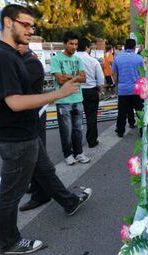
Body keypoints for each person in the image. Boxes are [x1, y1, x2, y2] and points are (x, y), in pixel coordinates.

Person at [0, 4, 92, 254]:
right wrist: (58, 93)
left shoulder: (11, 55)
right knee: (12, 193)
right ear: (8, 22)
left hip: (26, 135)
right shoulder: (1, 57)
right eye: (26, 24)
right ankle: (9, 242)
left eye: (33, 25)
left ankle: (70, 201)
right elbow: (15, 101)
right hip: (15, 138)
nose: (31, 30)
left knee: (46, 172)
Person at [17, 44, 51, 212]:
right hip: (28, 115)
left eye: (19, 44)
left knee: (36, 154)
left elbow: (18, 87)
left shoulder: (31, 63)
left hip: (35, 114)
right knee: (32, 154)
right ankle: (36, 185)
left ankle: (41, 193)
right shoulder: (21, 60)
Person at [51, 31, 90, 165]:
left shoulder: (78, 59)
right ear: (64, 44)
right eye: (71, 44)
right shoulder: (56, 59)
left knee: (78, 129)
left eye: (76, 44)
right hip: (63, 100)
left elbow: (84, 78)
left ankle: (78, 153)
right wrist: (75, 77)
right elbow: (60, 80)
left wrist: (68, 76)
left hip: (78, 99)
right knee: (66, 131)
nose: (74, 47)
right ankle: (68, 154)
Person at [76, 38, 105, 148]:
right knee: (91, 117)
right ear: (87, 47)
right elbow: (100, 79)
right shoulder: (93, 61)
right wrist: (100, 91)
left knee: (75, 119)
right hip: (91, 91)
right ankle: (92, 141)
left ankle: (75, 144)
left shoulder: (73, 59)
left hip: (75, 91)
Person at [112, 39, 144, 137]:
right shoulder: (139, 58)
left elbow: (114, 74)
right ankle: (142, 131)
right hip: (137, 89)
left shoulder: (117, 58)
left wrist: (117, 85)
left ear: (125, 47)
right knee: (139, 111)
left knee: (122, 112)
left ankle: (120, 131)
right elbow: (143, 73)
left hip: (123, 89)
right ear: (134, 47)